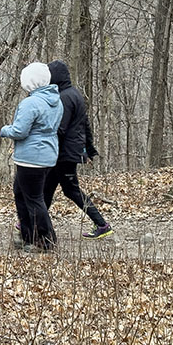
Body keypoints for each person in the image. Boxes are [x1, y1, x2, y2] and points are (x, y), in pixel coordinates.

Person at [44, 60, 113, 239]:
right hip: (67, 152)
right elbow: (85, 125)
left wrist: (47, 146)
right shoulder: (74, 94)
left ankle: (102, 224)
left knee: (71, 190)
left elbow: (61, 128)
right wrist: (89, 149)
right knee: (48, 188)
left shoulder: (64, 98)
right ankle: (31, 221)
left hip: (64, 153)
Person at [0, 62, 63, 252]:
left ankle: (46, 241)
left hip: (31, 158)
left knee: (34, 199)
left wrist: (5, 130)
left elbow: (20, 131)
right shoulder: (56, 100)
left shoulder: (30, 103)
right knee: (21, 193)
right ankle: (27, 236)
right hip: (47, 155)